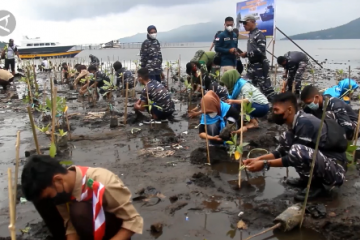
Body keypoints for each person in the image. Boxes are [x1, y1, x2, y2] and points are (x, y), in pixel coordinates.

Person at [244, 92, 347, 201]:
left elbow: (293, 157)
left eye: (276, 110)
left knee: (296, 150)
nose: (273, 114)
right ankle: (306, 180)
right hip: (323, 162)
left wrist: (265, 164)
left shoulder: (305, 123)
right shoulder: (294, 124)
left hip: (335, 171)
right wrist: (258, 159)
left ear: (289, 110)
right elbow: (280, 152)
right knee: (285, 139)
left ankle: (316, 186)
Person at [21, 155, 143, 240]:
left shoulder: (103, 182)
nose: (52, 201)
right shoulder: (61, 189)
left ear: (58, 179)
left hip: (113, 230)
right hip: (85, 227)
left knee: (79, 211)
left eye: (50, 195)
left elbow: (133, 221)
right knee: (42, 202)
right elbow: (70, 225)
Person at [239, 15, 275, 101]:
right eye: (242, 24)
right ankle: (254, 106)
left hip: (260, 65)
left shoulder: (259, 34)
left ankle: (277, 106)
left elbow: (261, 50)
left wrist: (247, 54)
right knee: (247, 85)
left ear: (252, 22)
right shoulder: (251, 34)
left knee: (267, 89)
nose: (244, 25)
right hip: (252, 66)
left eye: (245, 23)